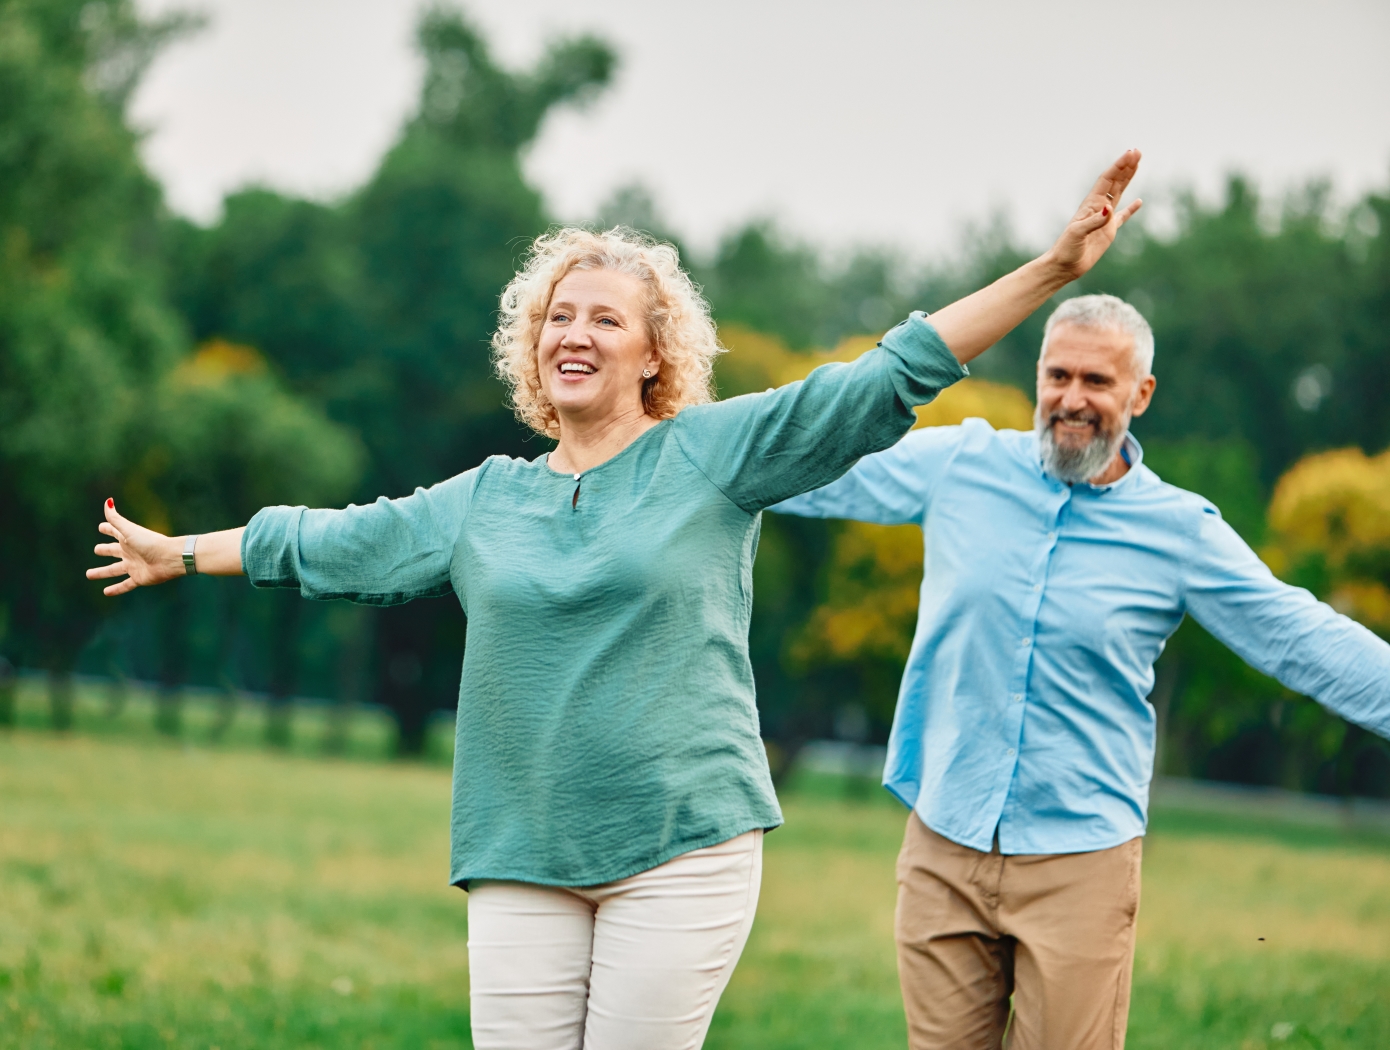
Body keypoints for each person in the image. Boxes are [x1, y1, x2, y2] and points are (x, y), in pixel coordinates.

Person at [87, 150, 1143, 1050]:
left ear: (653, 352)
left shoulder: (713, 454)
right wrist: (181, 552)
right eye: (558, 316)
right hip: (520, 850)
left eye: (604, 317)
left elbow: (881, 378)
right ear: (535, 346)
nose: (574, 333)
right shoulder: (486, 501)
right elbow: (338, 541)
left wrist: (1051, 269)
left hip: (679, 847)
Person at [773, 292, 1390, 1050]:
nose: (1072, 399)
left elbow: (1302, 637)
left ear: (1142, 393)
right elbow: (806, 469)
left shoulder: (1180, 531)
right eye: (1057, 375)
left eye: (1097, 381)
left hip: (1080, 859)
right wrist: (659, 431)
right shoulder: (963, 465)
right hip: (945, 840)